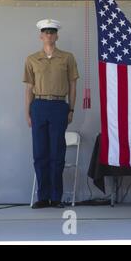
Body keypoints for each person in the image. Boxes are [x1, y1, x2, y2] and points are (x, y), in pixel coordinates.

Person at [23, 19, 79, 209]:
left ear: (57, 35)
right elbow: (29, 87)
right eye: (45, 31)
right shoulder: (32, 59)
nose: (49, 34)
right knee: (40, 153)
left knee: (57, 152)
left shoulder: (67, 57)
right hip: (39, 105)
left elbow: (73, 85)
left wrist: (71, 108)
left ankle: (56, 197)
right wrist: (28, 112)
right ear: (40, 35)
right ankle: (43, 196)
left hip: (58, 106)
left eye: (52, 31)